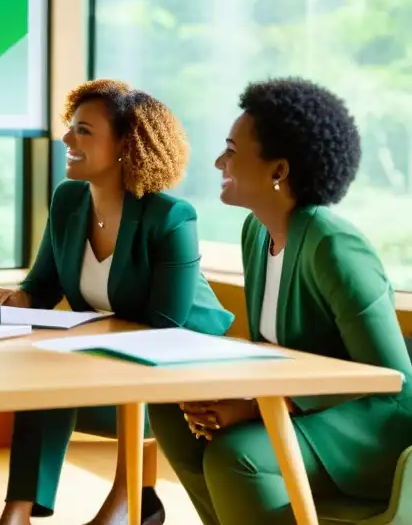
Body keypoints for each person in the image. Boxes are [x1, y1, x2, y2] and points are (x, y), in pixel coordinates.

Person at [148, 77, 412, 525]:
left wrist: (256, 407)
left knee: (237, 455)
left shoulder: (333, 245)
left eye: (231, 150)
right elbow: (279, 353)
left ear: (278, 171)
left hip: (370, 430)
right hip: (307, 410)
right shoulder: (257, 232)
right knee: (173, 415)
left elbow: (389, 379)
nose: (218, 161)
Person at [0, 79, 234, 525]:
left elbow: (165, 326)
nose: (66, 139)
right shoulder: (68, 200)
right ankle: (17, 512)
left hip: (184, 365)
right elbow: (42, 285)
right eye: (70, 127)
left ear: (126, 144)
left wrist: (79, 340)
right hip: (106, 354)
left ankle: (132, 498)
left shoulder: (170, 217)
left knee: (64, 368)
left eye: (84, 131)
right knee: (47, 375)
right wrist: (13, 299)